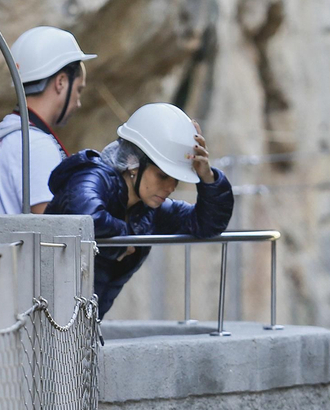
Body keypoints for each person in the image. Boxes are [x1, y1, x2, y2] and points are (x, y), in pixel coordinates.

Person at [47, 103, 234, 316]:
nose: (171, 187)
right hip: (39, 320)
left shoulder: (148, 210)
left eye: (176, 179)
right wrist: (122, 241)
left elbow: (206, 224)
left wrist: (208, 178)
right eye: (163, 175)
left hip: (79, 324)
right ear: (132, 163)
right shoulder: (92, 176)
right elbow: (85, 217)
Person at [0, 26, 96, 214]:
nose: (78, 103)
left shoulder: (4, 132)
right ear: (61, 82)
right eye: (78, 90)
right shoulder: (35, 144)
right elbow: (50, 231)